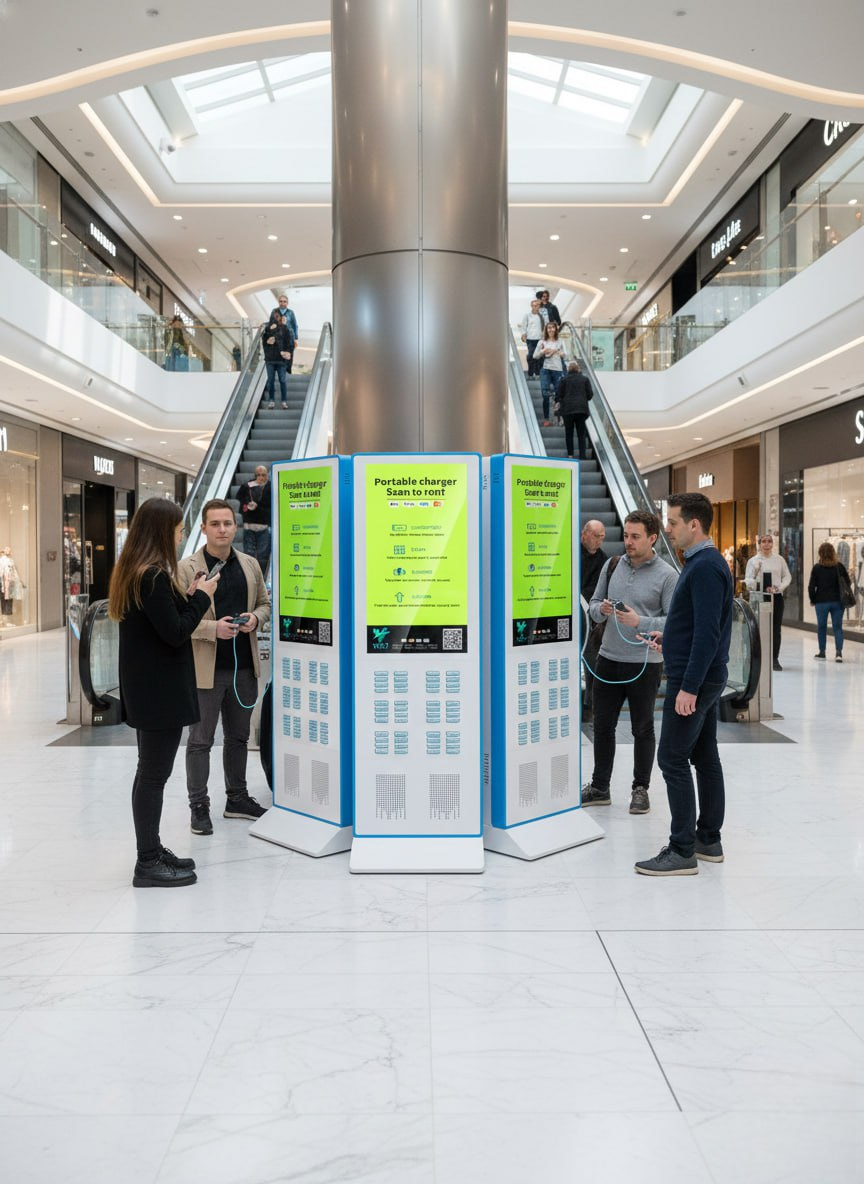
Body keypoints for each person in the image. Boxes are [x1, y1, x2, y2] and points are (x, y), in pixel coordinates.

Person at [108, 498, 220, 887]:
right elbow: (175, 633)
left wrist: (187, 596)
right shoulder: (152, 576)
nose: (180, 536)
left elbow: (163, 623)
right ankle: (148, 861)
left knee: (149, 773)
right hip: (159, 694)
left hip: (148, 690)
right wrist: (203, 597)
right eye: (177, 530)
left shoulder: (137, 573)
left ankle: (152, 850)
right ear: (161, 532)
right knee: (153, 776)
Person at [635, 492, 733, 876]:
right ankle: (708, 839)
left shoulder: (705, 567)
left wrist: (689, 687)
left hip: (695, 680)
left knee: (671, 758)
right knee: (704, 755)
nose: (668, 529)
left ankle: (681, 849)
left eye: (673, 522)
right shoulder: (702, 563)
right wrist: (670, 640)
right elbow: (699, 627)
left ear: (694, 524)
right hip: (701, 673)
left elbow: (709, 634)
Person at [177, 498, 271, 836]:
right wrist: (211, 629)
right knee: (200, 740)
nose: (222, 529)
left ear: (236, 527)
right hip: (206, 670)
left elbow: (264, 604)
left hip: (243, 668)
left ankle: (237, 799)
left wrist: (255, 619)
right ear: (203, 528)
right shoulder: (186, 569)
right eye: (215, 524)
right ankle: (198, 806)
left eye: (227, 523)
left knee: (239, 737)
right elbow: (178, 622)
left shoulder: (250, 564)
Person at [582, 511, 678, 815]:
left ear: (652, 538)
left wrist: (641, 621)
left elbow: (673, 622)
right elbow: (593, 605)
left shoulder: (667, 575)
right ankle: (600, 787)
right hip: (608, 658)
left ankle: (641, 789)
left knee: (642, 728)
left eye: (635, 536)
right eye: (626, 535)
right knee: (602, 726)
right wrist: (601, 610)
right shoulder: (612, 565)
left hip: (645, 663)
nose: (629, 542)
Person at [744, 533, 791, 670]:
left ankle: (774, 658)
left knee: (776, 628)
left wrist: (779, 587)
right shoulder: (753, 561)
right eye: (763, 541)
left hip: (776, 597)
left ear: (772, 544)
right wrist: (758, 584)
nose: (766, 544)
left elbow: (787, 576)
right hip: (759, 597)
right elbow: (748, 580)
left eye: (769, 541)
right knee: (758, 627)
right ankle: (757, 657)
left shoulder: (779, 560)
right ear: (759, 544)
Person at [808, 541, 845, 662]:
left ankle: (822, 653)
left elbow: (811, 586)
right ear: (833, 553)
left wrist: (812, 599)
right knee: (837, 627)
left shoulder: (817, 568)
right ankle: (838, 653)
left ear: (820, 553)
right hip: (838, 601)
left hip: (821, 601)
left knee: (822, 627)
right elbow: (847, 582)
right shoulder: (839, 567)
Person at [236, 465, 272, 575]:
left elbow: (271, 504)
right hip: (249, 525)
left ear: (267, 475)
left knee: (263, 555)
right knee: (248, 553)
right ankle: (249, 576)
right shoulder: (247, 486)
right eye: (258, 475)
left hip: (264, 525)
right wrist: (247, 504)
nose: (260, 477)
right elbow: (239, 497)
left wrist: (258, 506)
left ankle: (261, 576)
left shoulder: (271, 487)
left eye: (263, 475)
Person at [558, 361, 593, 460]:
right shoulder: (585, 379)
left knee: (569, 433)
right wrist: (583, 399)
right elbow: (590, 395)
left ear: (568, 369)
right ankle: (582, 455)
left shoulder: (564, 380)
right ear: (578, 369)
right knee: (581, 434)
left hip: (568, 410)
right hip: (581, 410)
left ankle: (570, 455)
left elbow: (559, 394)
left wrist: (563, 402)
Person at [535, 320, 565, 425]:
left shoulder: (560, 341)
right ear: (546, 330)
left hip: (557, 369)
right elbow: (535, 356)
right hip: (545, 370)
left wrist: (557, 351)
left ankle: (559, 418)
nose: (551, 329)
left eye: (552, 327)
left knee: (559, 394)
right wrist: (543, 351)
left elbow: (564, 354)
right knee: (545, 394)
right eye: (549, 328)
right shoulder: (542, 342)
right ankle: (546, 419)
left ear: (556, 329)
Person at [262, 313, 294, 409]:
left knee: (282, 380)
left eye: (277, 317)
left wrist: (287, 352)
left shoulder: (284, 329)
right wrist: (268, 340)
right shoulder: (267, 330)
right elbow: (264, 344)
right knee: (270, 381)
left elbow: (289, 343)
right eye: (274, 317)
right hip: (270, 360)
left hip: (281, 360)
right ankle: (271, 400)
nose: (276, 319)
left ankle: (284, 401)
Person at [269, 295, 299, 371]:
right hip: (278, 338)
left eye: (284, 301)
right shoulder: (274, 311)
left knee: (289, 356)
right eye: (281, 301)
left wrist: (296, 339)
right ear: (278, 302)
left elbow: (295, 325)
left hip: (290, 338)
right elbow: (270, 324)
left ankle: (288, 372)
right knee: (278, 356)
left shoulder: (291, 313)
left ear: (287, 303)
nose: (282, 303)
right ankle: (279, 373)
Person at [580, 519, 607, 601]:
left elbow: (596, 588)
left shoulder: (602, 558)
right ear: (584, 534)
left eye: (602, 537)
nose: (599, 541)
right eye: (596, 536)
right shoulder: (570, 550)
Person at [520, 298, 544, 378]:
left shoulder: (541, 316)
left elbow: (545, 325)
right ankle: (530, 373)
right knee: (531, 355)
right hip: (530, 339)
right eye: (534, 306)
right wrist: (523, 335)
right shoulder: (527, 315)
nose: (535, 307)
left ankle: (537, 373)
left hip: (539, 339)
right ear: (531, 306)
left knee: (538, 356)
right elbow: (523, 326)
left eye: (537, 305)